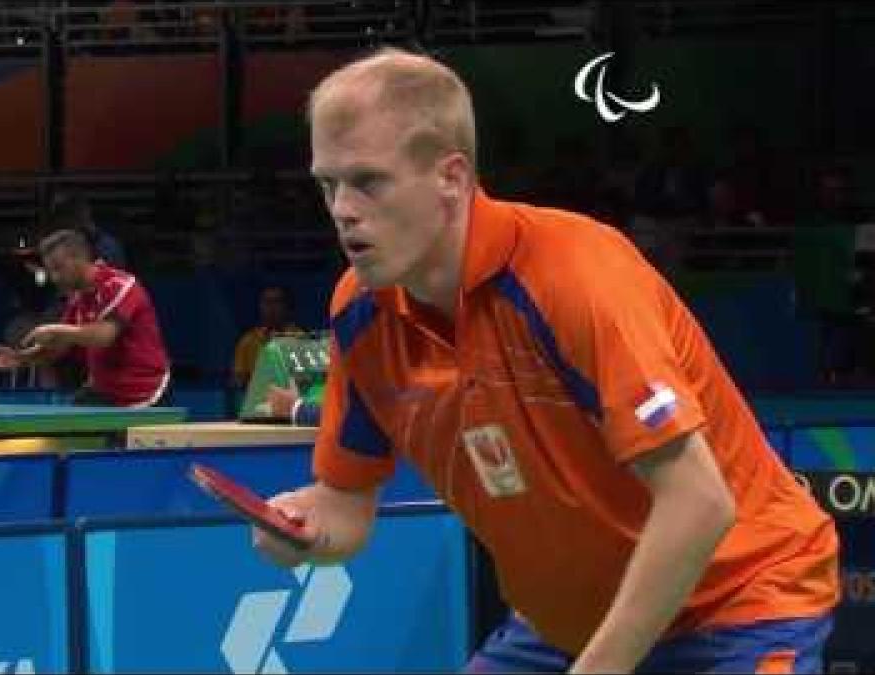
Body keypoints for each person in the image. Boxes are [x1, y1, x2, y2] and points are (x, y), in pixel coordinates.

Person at [250, 48, 839, 674]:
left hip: (736, 604)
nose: (342, 208)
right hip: (570, 626)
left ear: (451, 177)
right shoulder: (359, 313)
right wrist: (303, 529)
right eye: (327, 184)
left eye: (368, 181)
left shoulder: (573, 276)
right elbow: (347, 507)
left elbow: (699, 503)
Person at [0, 227, 170, 407]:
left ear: (80, 259)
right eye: (50, 271)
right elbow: (58, 348)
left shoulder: (121, 285)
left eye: (59, 268)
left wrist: (55, 329)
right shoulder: (79, 299)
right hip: (104, 392)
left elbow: (103, 336)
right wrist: (22, 358)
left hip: (145, 393)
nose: (54, 278)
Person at [232, 285, 305, 389]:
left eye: (277, 302)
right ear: (260, 306)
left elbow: (306, 379)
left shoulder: (301, 339)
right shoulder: (248, 340)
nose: (271, 307)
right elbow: (238, 379)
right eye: (266, 302)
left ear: (287, 306)